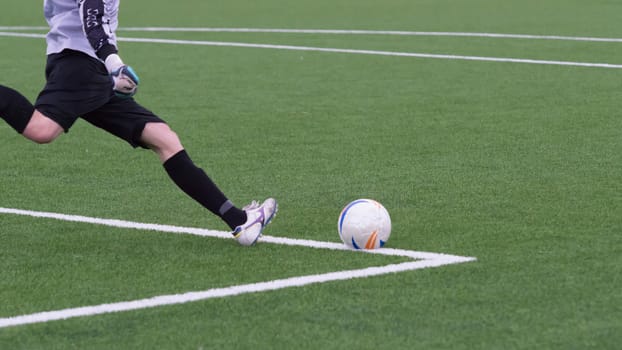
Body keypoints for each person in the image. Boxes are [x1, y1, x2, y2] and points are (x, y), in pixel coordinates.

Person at [0, 0, 277, 246]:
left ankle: (240, 221)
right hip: (79, 66)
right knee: (42, 129)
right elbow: (92, 21)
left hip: (82, 66)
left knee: (164, 138)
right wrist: (115, 66)